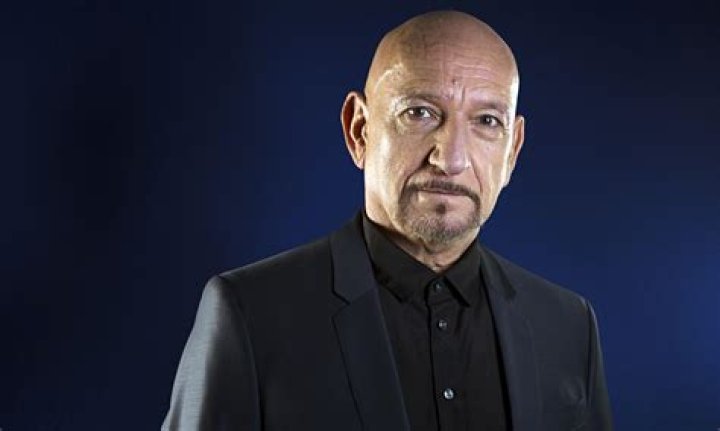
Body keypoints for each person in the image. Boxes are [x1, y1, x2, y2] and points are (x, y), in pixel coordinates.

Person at [162, 10, 613, 431]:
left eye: (487, 121)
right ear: (359, 130)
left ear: (512, 151)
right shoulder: (249, 314)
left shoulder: (569, 327)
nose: (451, 159)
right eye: (420, 113)